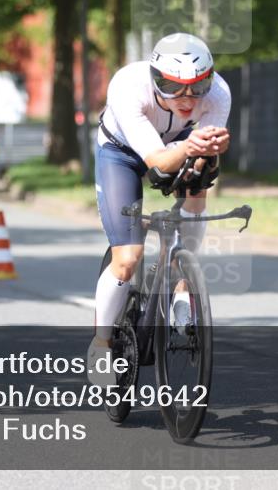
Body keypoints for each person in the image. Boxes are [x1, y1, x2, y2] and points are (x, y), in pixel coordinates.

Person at [89, 32, 231, 387]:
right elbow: (157, 162)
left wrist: (208, 155)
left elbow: (200, 159)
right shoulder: (127, 86)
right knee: (128, 257)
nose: (187, 99)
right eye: (172, 86)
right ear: (155, 78)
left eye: (197, 88)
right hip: (121, 152)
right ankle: (101, 343)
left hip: (179, 146)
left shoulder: (220, 94)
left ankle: (183, 281)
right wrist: (190, 149)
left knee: (199, 185)